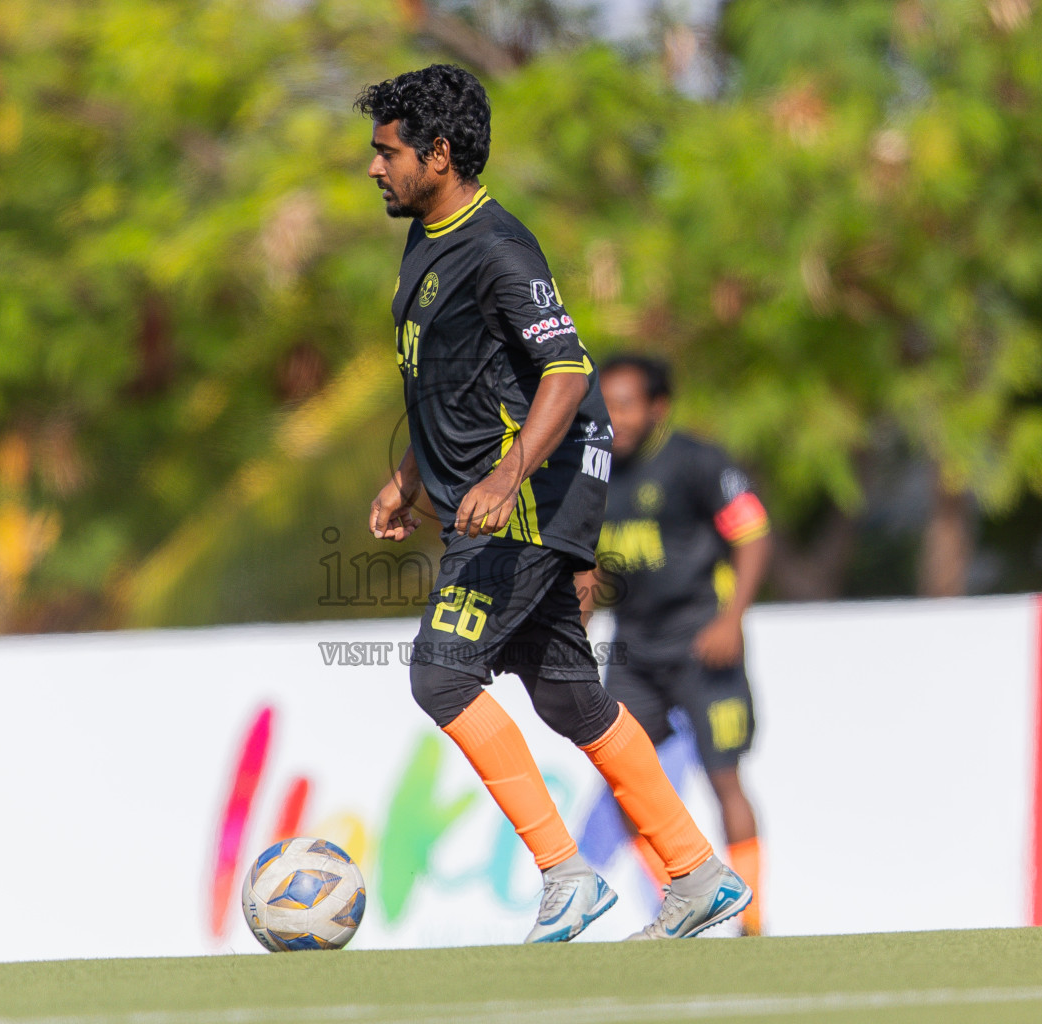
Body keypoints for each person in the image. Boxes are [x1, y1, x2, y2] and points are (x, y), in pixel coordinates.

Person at [358, 65, 750, 942]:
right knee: (570, 699)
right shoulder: (427, 237)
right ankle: (695, 871)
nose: (374, 169)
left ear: (440, 153)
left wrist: (504, 479)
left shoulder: (498, 248)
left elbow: (567, 371)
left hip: (526, 500)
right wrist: (411, 477)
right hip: (493, 496)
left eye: (386, 152)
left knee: (441, 673)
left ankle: (567, 875)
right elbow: (454, 380)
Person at [579, 354, 772, 936]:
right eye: (604, 406)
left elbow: (755, 533)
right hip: (634, 649)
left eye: (626, 404)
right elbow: (584, 568)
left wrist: (731, 618)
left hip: (702, 642)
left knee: (724, 781)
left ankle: (754, 923)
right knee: (625, 785)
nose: (614, 419)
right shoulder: (593, 473)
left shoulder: (696, 462)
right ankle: (683, 902)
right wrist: (574, 630)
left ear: (657, 408)